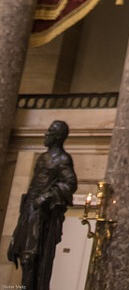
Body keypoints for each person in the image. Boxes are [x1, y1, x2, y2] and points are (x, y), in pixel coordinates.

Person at [8, 119, 77, 290]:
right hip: (29, 212)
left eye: (50, 132)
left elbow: (70, 183)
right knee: (23, 255)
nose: (45, 134)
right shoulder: (42, 158)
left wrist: (46, 196)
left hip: (42, 215)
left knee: (32, 258)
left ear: (58, 137)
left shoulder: (62, 159)